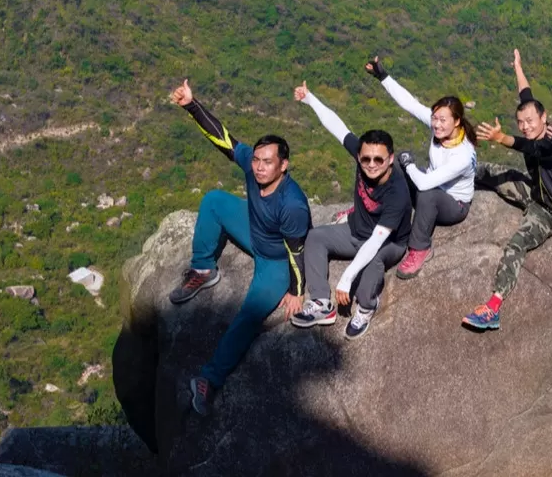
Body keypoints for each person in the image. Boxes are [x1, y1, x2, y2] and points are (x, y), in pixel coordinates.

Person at [167, 80, 310, 415]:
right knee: (214, 200)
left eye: (268, 162)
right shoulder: (252, 166)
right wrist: (191, 104)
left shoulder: (292, 204)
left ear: (283, 165)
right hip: (253, 229)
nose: (259, 166)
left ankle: (209, 380)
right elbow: (224, 139)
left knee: (247, 316)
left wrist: (297, 290)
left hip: (275, 259)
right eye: (257, 160)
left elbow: (296, 251)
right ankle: (204, 268)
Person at [465, 50, 552, 331]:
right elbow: (526, 96)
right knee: (487, 170)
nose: (526, 126)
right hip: (533, 192)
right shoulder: (534, 122)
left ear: (545, 118)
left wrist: (501, 137)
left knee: (516, 244)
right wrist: (518, 67)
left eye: (531, 121)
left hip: (551, 213)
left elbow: (528, 147)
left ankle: (493, 309)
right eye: (521, 123)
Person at [291, 81, 412, 340]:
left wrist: (346, 278)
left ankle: (367, 307)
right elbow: (337, 126)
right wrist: (310, 98)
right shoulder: (363, 155)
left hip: (388, 243)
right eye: (365, 158)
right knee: (316, 237)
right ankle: (322, 303)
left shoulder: (397, 192)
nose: (370, 164)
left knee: (371, 269)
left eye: (379, 159)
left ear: (391, 158)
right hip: (356, 230)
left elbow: (378, 240)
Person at [364, 56, 476, 280]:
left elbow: (424, 184)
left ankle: (419, 248)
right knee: (391, 163)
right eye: (434, 118)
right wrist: (382, 76)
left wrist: (409, 164)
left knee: (426, 192)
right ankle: (374, 205)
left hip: (454, 204)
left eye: (443, 120)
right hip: (432, 184)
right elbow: (409, 104)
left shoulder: (463, 154)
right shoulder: (439, 127)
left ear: (457, 121)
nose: (436, 124)